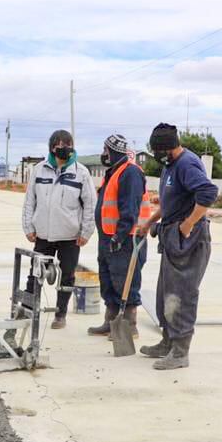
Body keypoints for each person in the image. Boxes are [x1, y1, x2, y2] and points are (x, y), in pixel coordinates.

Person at [136, 123, 218, 370]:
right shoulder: (170, 166)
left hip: (189, 241)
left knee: (181, 294)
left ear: (167, 148)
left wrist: (188, 225)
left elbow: (208, 193)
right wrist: (150, 222)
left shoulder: (187, 164)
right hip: (172, 237)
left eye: (157, 150)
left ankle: (180, 351)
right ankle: (167, 341)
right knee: (166, 292)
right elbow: (168, 203)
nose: (155, 155)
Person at [21, 129, 96, 329]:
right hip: (43, 234)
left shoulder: (81, 172)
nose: (64, 149)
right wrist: (28, 226)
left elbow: (90, 204)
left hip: (70, 236)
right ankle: (27, 309)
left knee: (67, 275)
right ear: (52, 148)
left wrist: (86, 231)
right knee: (35, 274)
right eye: (59, 146)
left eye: (68, 145)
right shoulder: (39, 170)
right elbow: (30, 201)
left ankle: (60, 314)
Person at [89, 134, 150, 339]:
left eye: (105, 150)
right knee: (108, 280)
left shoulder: (130, 173)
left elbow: (130, 209)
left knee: (126, 282)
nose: (103, 154)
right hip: (107, 237)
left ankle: (129, 326)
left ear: (112, 151)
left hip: (125, 239)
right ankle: (111, 321)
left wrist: (119, 236)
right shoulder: (114, 172)